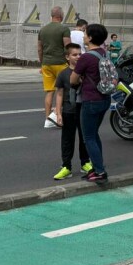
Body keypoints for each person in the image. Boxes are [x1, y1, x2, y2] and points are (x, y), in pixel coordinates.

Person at [70, 23, 112, 184]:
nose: (83, 35)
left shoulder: (86, 57)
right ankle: (97, 166)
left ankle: (100, 172)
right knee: (94, 134)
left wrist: (80, 79)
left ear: (91, 37)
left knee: (88, 137)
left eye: (85, 33)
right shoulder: (105, 53)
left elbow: (73, 79)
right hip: (104, 98)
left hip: (90, 99)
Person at [52, 43, 92, 180]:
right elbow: (59, 94)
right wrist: (58, 113)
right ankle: (66, 167)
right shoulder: (63, 74)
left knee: (84, 138)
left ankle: (85, 163)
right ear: (67, 57)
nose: (78, 57)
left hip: (84, 110)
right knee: (67, 140)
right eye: (74, 55)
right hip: (68, 112)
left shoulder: (85, 72)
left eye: (80, 54)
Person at [37, 6, 71, 129]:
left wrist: (42, 63)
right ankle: (58, 115)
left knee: (49, 91)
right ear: (61, 15)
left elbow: (39, 49)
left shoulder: (43, 30)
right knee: (62, 91)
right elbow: (68, 47)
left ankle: (48, 119)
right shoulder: (64, 29)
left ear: (52, 16)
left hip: (46, 64)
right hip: (61, 64)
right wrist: (70, 62)